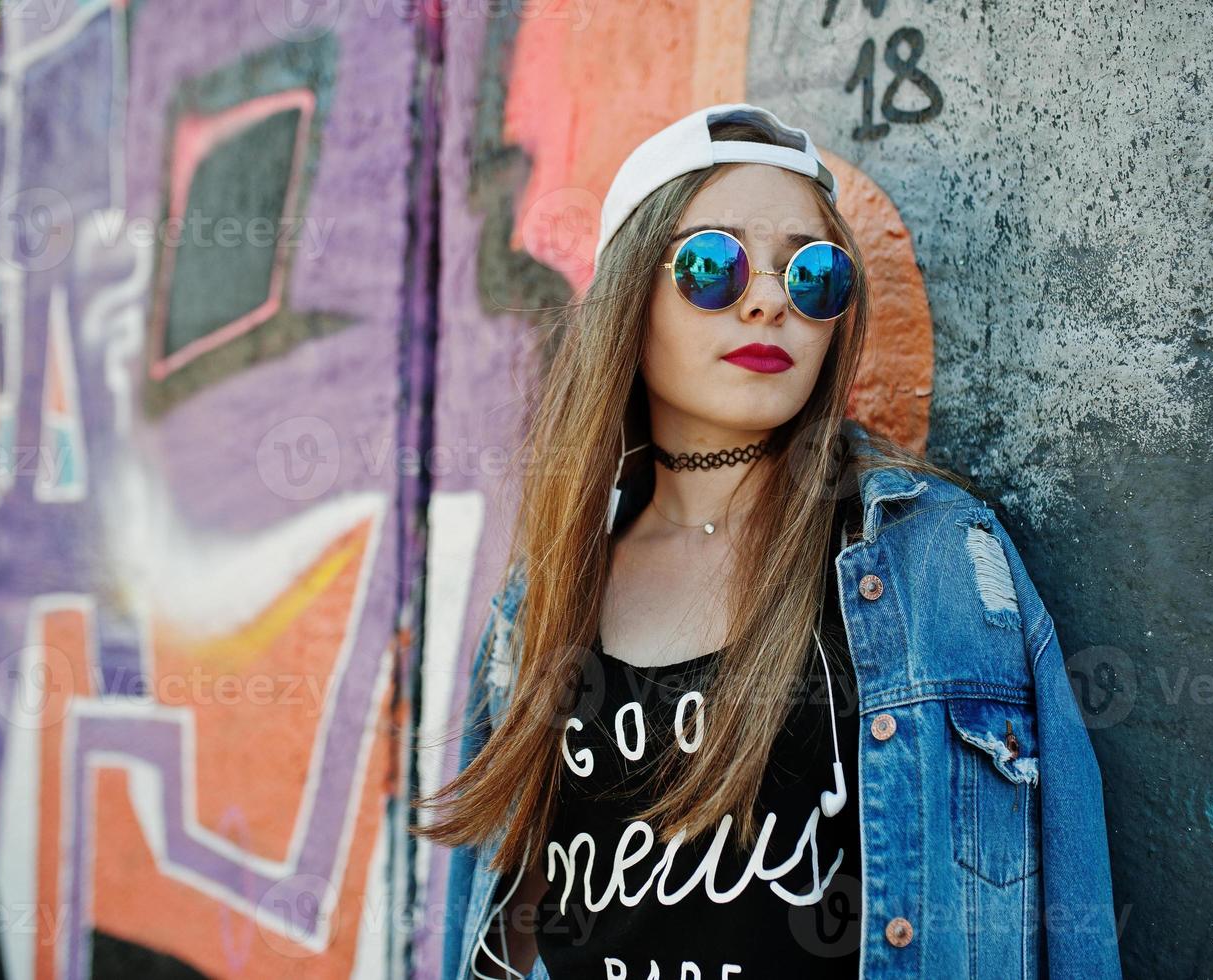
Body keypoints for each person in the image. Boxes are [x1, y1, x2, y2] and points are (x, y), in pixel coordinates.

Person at [412, 104, 1122, 980]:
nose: (765, 300)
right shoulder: (540, 601)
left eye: (813, 275)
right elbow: (487, 930)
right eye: (713, 265)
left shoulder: (939, 562)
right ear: (630, 298)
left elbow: (1072, 919)